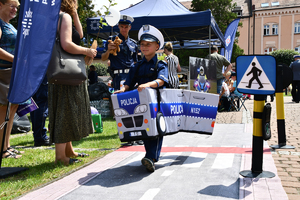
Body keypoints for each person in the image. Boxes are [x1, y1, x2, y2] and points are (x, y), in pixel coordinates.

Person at [48, 0, 97, 165]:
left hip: (58, 69)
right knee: (65, 110)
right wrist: (87, 51)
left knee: (64, 109)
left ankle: (68, 151)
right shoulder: (64, 17)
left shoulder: (56, 16)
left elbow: (79, 35)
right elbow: (67, 44)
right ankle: (61, 157)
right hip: (66, 69)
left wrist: (74, 12)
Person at [114, 24, 168, 172]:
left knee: (156, 130)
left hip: (156, 103)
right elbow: (128, 83)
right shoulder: (136, 66)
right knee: (145, 129)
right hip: (141, 104)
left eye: (148, 44)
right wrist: (122, 89)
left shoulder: (160, 63)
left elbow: (161, 80)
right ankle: (150, 156)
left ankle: (151, 157)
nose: (144, 47)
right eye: (142, 44)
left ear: (157, 46)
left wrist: (147, 85)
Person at [0, 0, 23, 159]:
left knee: (11, 109)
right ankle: (2, 150)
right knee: (3, 112)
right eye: (12, 6)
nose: (15, 9)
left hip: (12, 73)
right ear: (1, 5)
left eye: (17, 7)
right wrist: (16, 60)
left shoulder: (8, 24)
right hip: (3, 73)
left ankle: (6, 145)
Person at [101, 14, 138, 91]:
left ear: (130, 27)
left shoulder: (133, 43)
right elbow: (103, 58)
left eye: (126, 27)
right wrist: (108, 50)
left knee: (133, 100)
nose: (124, 29)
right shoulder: (112, 40)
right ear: (118, 26)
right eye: (122, 27)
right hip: (118, 76)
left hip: (131, 76)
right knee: (119, 100)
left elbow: (135, 62)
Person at [30, 76, 52, 147]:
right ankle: (40, 137)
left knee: (35, 104)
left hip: (33, 74)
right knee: (42, 104)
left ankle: (37, 136)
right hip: (42, 73)